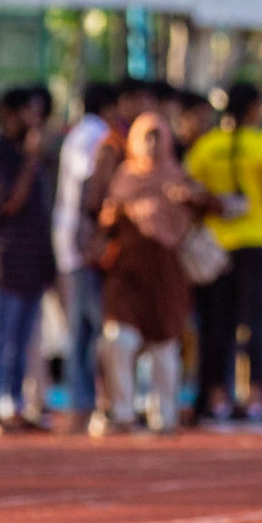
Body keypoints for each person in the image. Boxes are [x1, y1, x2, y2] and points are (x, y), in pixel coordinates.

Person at [96, 113, 217, 436]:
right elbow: (104, 220)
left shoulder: (179, 177)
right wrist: (115, 214)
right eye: (146, 137)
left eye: (157, 137)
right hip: (128, 273)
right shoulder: (124, 177)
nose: (151, 144)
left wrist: (191, 198)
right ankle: (121, 412)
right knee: (119, 340)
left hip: (166, 275)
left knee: (165, 349)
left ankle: (164, 415)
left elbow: (213, 207)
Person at [185, 82, 262, 422]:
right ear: (254, 108)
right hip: (257, 242)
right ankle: (255, 395)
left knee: (218, 322)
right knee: (256, 322)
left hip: (216, 245)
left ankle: (216, 397)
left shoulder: (206, 146)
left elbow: (191, 191)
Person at [0, 88, 57, 437]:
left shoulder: (32, 158)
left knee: (21, 341)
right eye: (29, 112)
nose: (36, 121)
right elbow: (7, 203)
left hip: (31, 261)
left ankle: (13, 404)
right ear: (11, 115)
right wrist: (30, 159)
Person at [52, 81, 117, 428]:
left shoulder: (80, 133)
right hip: (83, 241)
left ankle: (85, 401)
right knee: (93, 326)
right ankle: (89, 402)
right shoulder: (96, 135)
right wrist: (92, 238)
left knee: (83, 328)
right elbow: (88, 186)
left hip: (72, 238)